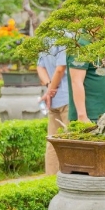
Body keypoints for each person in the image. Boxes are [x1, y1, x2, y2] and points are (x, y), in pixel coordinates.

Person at [37, 41, 70, 174]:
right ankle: (70, 178)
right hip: (67, 97)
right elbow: (60, 68)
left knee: (52, 142)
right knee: (71, 140)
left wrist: (49, 86)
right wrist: (51, 88)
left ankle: (50, 179)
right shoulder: (66, 38)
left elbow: (40, 67)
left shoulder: (45, 38)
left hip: (53, 99)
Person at [68, 40, 105, 125]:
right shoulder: (81, 44)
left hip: (104, 112)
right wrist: (82, 116)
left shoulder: (98, 42)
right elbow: (76, 81)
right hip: (90, 116)